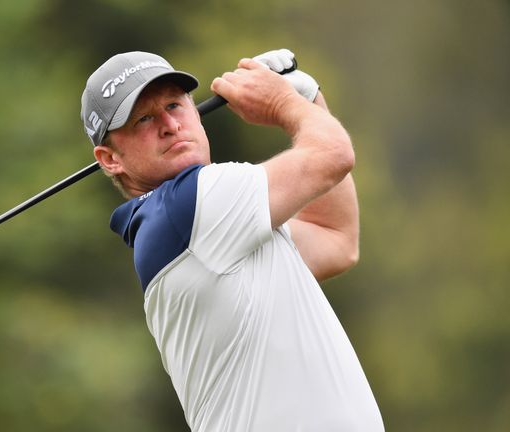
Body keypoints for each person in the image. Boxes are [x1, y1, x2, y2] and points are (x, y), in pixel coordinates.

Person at [80, 49, 384, 431]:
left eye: (175, 104)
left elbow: (335, 239)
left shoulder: (217, 223)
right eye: (143, 118)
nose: (170, 124)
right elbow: (333, 155)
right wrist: (284, 102)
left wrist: (305, 99)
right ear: (110, 159)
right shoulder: (185, 207)